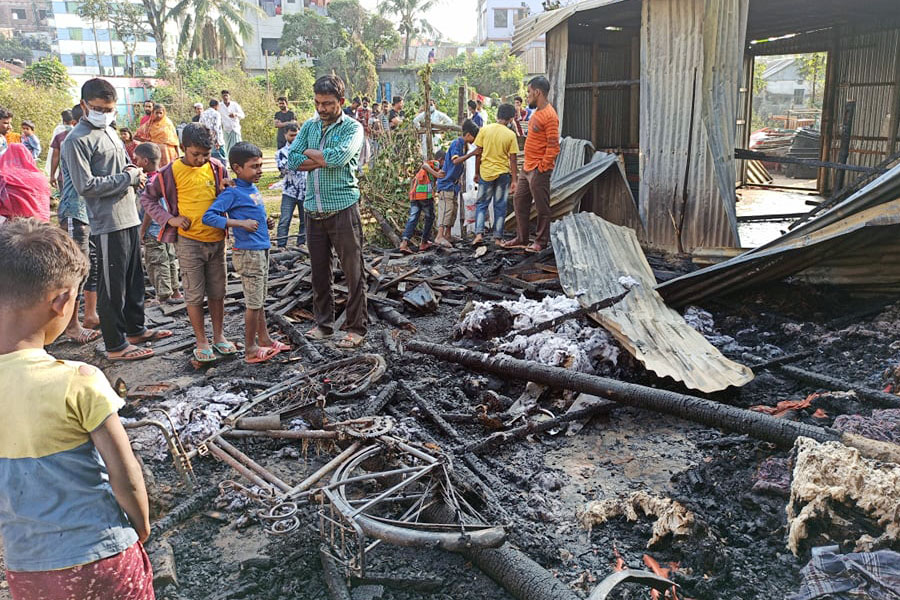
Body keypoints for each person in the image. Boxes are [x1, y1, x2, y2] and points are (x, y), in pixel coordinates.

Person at [0, 219, 154, 600]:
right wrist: (141, 527)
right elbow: (126, 474)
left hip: (27, 568)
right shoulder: (78, 378)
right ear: (62, 302)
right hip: (103, 556)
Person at [62, 78, 171, 362]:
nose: (105, 113)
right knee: (112, 288)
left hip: (129, 216)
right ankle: (116, 345)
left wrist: (133, 173)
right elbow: (85, 185)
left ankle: (135, 330)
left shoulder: (109, 131)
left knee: (134, 280)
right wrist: (127, 178)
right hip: (106, 221)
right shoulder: (76, 140)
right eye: (98, 108)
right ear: (84, 105)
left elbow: (123, 166)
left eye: (110, 108)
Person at [140, 123, 233, 364]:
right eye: (196, 154)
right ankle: (201, 340)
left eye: (206, 154)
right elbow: (148, 199)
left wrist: (227, 191)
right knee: (193, 294)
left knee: (218, 292)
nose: (201, 159)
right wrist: (170, 219)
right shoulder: (170, 172)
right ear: (183, 148)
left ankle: (219, 336)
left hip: (216, 241)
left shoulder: (217, 168)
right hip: (189, 242)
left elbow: (228, 195)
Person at [287, 74, 367, 349]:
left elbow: (339, 157)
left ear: (341, 102)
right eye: (318, 103)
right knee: (319, 272)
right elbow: (292, 160)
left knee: (353, 270)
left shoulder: (352, 128)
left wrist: (316, 157)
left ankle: (356, 328)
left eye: (328, 104)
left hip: (343, 207)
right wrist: (321, 159)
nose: (321, 109)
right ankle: (324, 325)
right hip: (313, 210)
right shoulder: (309, 126)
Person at [203, 142, 289, 364]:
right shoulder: (232, 192)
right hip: (248, 254)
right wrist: (238, 223)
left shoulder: (252, 188)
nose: (259, 170)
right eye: (254, 166)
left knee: (259, 300)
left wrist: (265, 222)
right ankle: (250, 348)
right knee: (253, 303)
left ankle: (265, 339)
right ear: (237, 168)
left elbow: (253, 216)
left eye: (260, 165)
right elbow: (209, 216)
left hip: (261, 249)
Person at [54, 105, 102, 341]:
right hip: (76, 211)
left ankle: (90, 316)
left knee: (91, 265)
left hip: (89, 212)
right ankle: (71, 325)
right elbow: (87, 181)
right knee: (76, 269)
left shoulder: (89, 139)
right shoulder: (73, 142)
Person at [502, 76, 560, 253]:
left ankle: (541, 242)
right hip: (527, 167)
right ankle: (522, 237)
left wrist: (542, 166)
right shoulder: (537, 113)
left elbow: (553, 146)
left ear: (537, 92)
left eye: (528, 93)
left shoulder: (550, 116)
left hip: (538, 169)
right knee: (520, 201)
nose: (527, 97)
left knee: (542, 206)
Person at [457, 103, 518, 246]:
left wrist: (477, 172)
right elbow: (513, 160)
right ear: (510, 119)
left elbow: (478, 154)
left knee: (482, 204)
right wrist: (514, 180)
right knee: (500, 206)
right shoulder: (510, 135)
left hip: (485, 173)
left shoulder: (484, 130)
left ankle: (478, 234)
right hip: (502, 174)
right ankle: (497, 238)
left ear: (498, 115)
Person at [135, 142, 182, 306]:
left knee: (156, 262)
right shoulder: (163, 177)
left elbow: (149, 210)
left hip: (153, 229)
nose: (136, 163)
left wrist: (142, 230)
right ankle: (175, 290)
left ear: (145, 161)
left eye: (137, 159)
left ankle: (163, 295)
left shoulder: (147, 182)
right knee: (169, 259)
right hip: (167, 227)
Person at [434, 119, 479, 248]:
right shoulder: (457, 144)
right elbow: (455, 161)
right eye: (474, 137)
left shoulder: (463, 145)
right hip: (446, 184)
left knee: (453, 210)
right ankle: (439, 236)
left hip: (453, 184)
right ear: (469, 134)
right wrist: (472, 154)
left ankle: (447, 234)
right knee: (446, 210)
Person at [399, 150, 445, 254]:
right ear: (441, 160)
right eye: (444, 162)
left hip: (415, 195)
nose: (444, 165)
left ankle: (404, 243)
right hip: (424, 195)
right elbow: (424, 165)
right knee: (430, 217)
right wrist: (436, 174)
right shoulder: (436, 163)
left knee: (413, 218)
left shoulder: (436, 168)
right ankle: (423, 242)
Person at [0, 143, 51, 222]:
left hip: (11, 225)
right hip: (39, 223)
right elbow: (44, 202)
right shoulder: (40, 177)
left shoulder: (3, 177)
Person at [275, 124, 306, 248]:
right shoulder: (281, 152)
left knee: (305, 220)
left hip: (305, 190)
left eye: (297, 135)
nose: (294, 138)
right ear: (285, 135)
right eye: (291, 135)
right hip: (289, 191)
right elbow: (285, 168)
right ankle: (281, 245)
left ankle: (301, 244)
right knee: (285, 219)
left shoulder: (306, 150)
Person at [218, 90, 245, 155]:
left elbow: (242, 115)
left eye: (226, 95)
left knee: (237, 146)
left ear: (229, 96)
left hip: (235, 129)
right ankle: (230, 160)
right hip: (226, 129)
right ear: (222, 97)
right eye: (224, 96)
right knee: (227, 147)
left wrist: (235, 114)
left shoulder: (235, 105)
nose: (225, 97)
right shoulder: (220, 105)